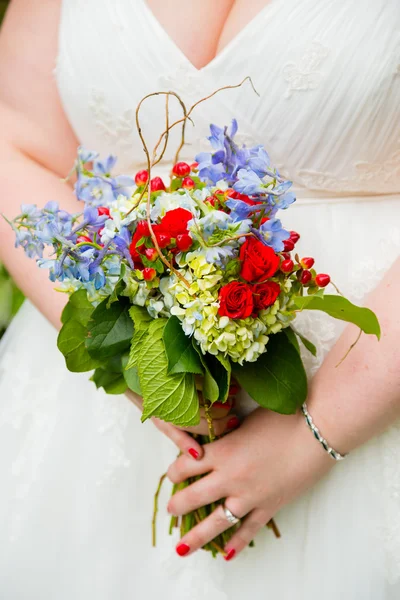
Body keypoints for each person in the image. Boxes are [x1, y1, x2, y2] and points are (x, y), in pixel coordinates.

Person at [0, 0, 399, 598]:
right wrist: (136, 357)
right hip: (110, 413)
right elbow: (17, 141)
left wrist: (315, 433)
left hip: (374, 388)